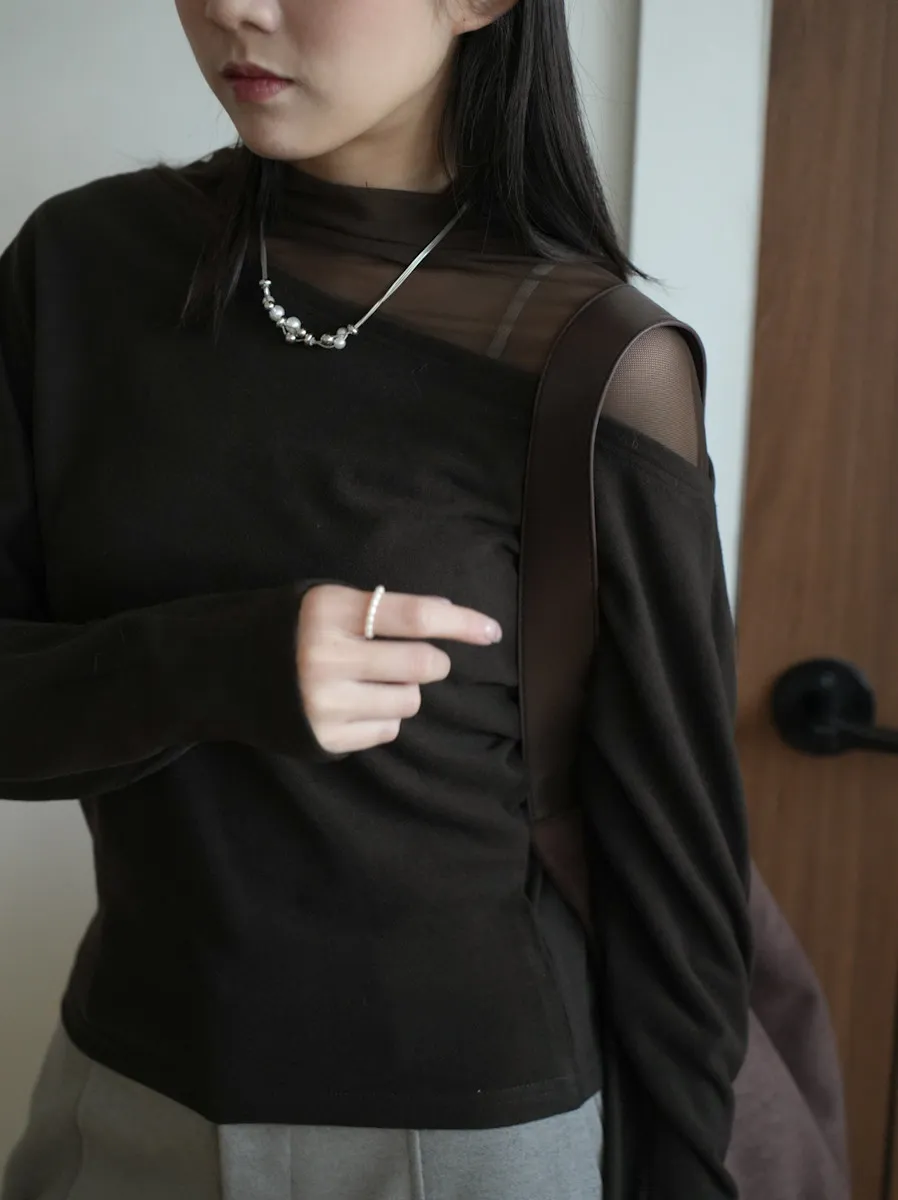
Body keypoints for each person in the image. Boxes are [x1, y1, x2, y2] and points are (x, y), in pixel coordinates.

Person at [0, 1, 752, 1197]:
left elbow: (676, 867)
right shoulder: (78, 266)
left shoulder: (596, 363)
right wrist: (218, 665)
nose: (235, 6)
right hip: (124, 1098)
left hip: (466, 1137)